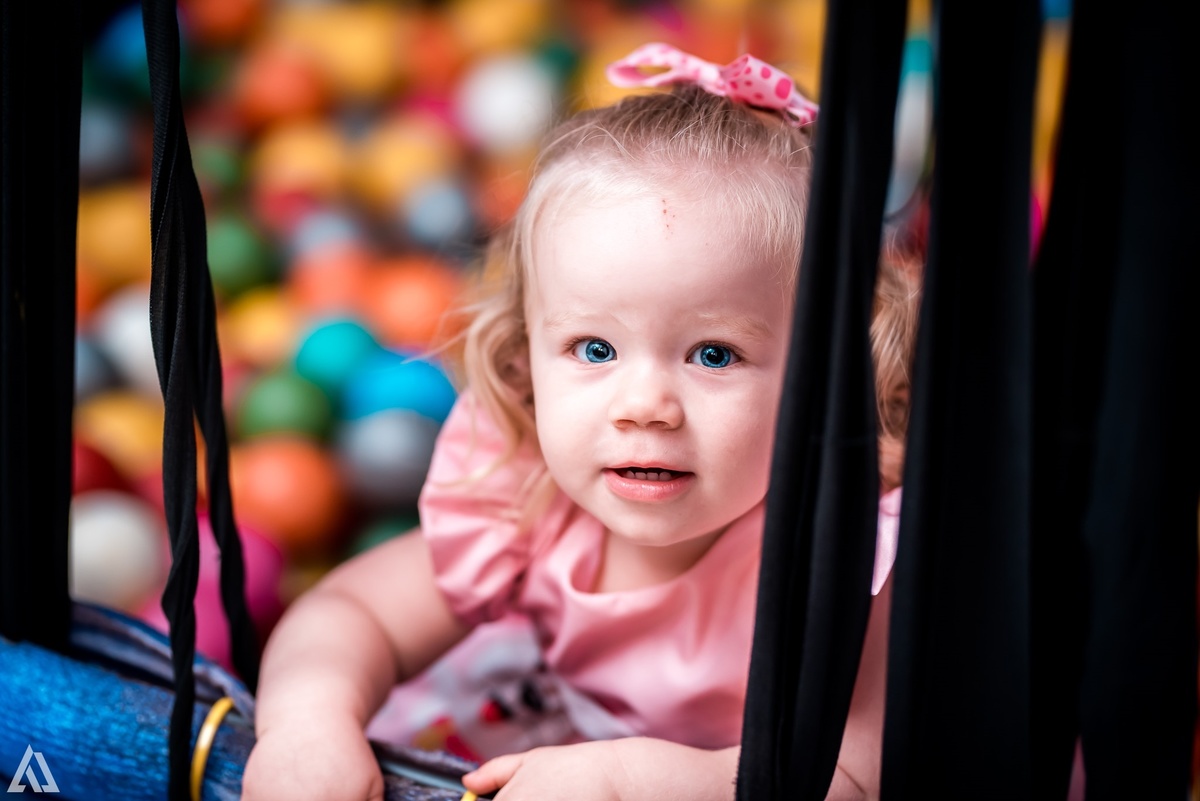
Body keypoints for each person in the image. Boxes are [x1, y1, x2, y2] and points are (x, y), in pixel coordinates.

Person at [241, 43, 921, 801]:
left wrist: (630, 781)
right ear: (526, 352)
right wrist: (308, 723)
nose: (645, 405)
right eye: (593, 347)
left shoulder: (850, 557)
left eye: (715, 354)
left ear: (827, 379)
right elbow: (351, 609)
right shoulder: (526, 498)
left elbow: (852, 780)